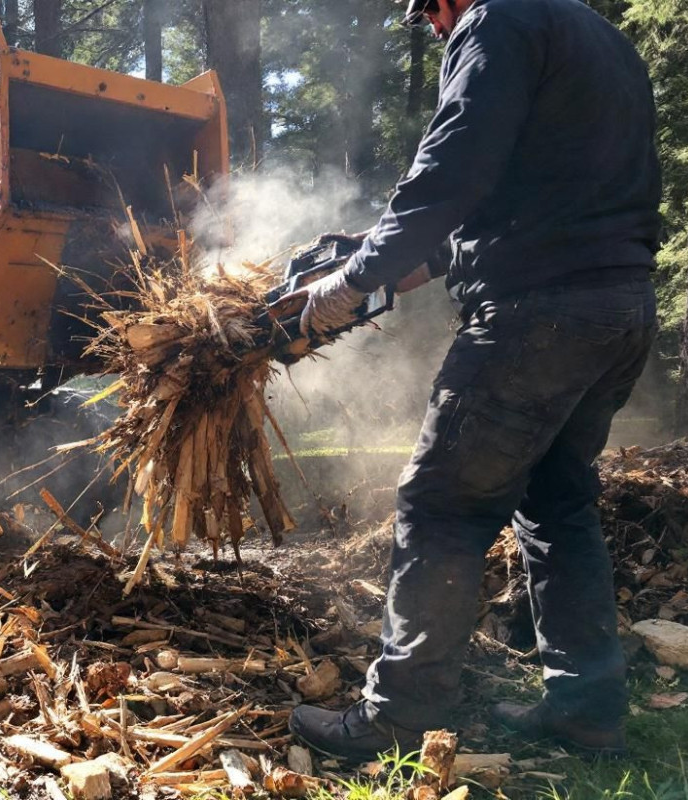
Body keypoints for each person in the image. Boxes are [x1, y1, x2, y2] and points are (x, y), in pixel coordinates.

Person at [282, 0, 661, 760]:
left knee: (444, 506)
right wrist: (389, 267)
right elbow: (513, 201)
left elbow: (449, 175)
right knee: (557, 504)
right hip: (617, 308)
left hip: (537, 317)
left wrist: (347, 285)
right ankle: (587, 709)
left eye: (430, 9)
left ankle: (400, 716)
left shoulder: (498, 23)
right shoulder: (600, 38)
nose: (431, 24)